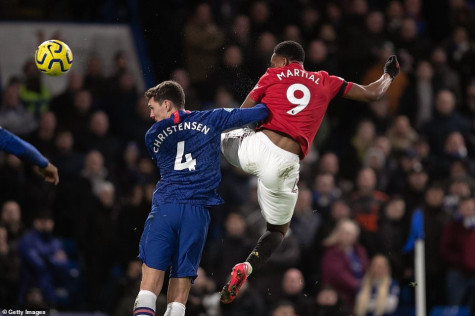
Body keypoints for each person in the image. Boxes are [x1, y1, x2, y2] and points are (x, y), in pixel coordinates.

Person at [220, 40, 399, 303]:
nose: (272, 65)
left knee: (222, 133)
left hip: (257, 148)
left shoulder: (273, 74)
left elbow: (241, 114)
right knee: (277, 231)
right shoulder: (326, 80)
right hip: (287, 163)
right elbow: (373, 93)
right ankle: (246, 267)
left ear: (281, 61)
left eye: (273, 61)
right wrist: (388, 75)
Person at [133, 81, 268, 316]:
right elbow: (259, 112)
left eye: (153, 108)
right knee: (181, 284)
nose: (151, 114)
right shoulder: (211, 119)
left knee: (150, 282)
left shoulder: (152, 135)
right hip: (197, 213)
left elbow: (176, 128)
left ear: (166, 104)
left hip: (167, 207)